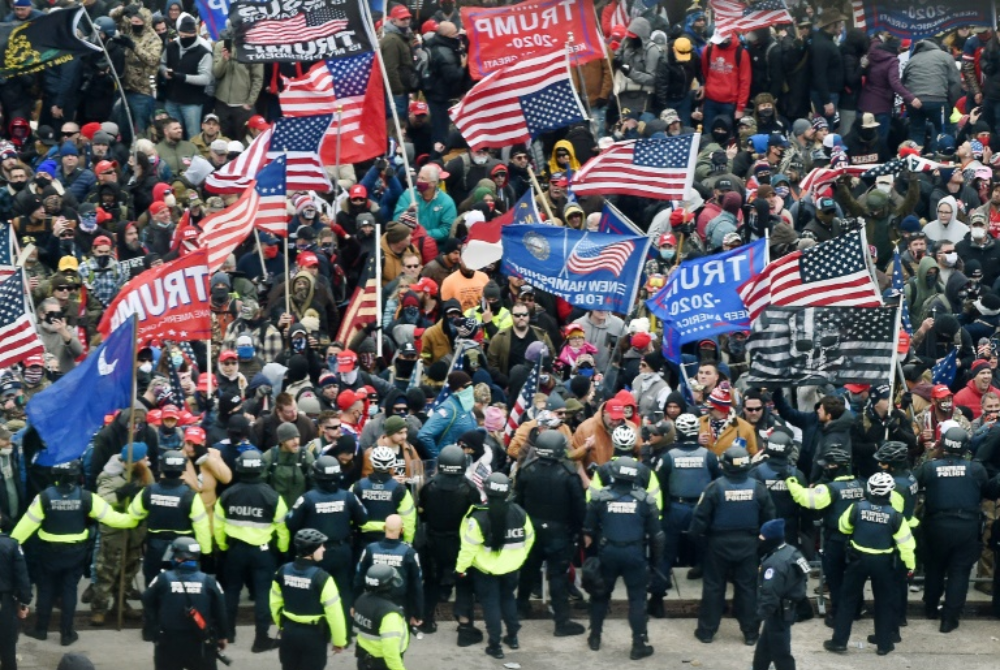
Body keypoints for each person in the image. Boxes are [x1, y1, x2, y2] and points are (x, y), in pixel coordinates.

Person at [12, 459, 135, 646]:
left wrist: (8, 545)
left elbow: (23, 529)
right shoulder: (87, 498)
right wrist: (135, 518)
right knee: (70, 591)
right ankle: (67, 634)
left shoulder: (44, 498)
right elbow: (115, 519)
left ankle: (41, 630)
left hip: (48, 554)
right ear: (77, 476)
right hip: (75, 554)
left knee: (46, 591)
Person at [916, 426, 1000, 632]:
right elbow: (989, 491)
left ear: (944, 445)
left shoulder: (929, 467)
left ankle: (930, 608)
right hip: (966, 527)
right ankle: (949, 619)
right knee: (959, 573)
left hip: (936, 525)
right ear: (965, 447)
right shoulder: (976, 469)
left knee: (934, 568)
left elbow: (913, 482)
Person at [689, 446, 775, 645]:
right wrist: (761, 544)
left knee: (713, 588)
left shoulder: (714, 488)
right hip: (749, 544)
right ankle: (751, 634)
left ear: (724, 465)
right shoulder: (758, 488)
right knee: (748, 589)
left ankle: (707, 632)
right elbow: (770, 519)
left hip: (718, 544)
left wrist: (699, 541)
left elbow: (699, 519)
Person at [823, 472, 916, 656]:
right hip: (884, 563)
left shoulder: (856, 508)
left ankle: (839, 641)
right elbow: (907, 546)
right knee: (883, 603)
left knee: (847, 601)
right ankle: (884, 644)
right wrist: (910, 566)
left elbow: (844, 527)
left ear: (869, 489)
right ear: (890, 492)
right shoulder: (896, 517)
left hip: (857, 560)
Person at [583, 456, 663, 659]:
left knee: (600, 595)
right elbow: (657, 537)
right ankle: (638, 645)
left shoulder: (600, 498)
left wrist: (592, 559)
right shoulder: (645, 500)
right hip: (634, 554)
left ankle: (594, 637)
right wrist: (656, 564)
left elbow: (587, 531)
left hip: (608, 552)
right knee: (637, 599)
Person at [213, 450, 290, 652]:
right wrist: (282, 551)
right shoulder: (272, 495)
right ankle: (261, 639)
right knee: (264, 594)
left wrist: (223, 547)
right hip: (263, 553)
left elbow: (218, 526)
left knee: (231, 591)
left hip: (234, 551)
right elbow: (283, 528)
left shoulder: (227, 494)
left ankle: (227, 633)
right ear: (260, 470)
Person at [513, 431, 586, 635]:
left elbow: (518, 502)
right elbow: (579, 507)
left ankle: (520, 608)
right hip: (559, 533)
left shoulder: (527, 470)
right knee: (558, 576)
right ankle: (561, 622)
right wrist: (579, 530)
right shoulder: (569, 474)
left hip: (532, 531)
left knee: (527, 572)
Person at [285, 456, 367, 636]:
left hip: (315, 552)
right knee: (343, 590)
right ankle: (344, 630)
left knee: (316, 590)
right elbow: (363, 518)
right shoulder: (348, 496)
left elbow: (290, 522)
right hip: (342, 551)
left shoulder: (307, 499)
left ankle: (320, 630)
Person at [455, 473, 534, 660]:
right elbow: (529, 538)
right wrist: (519, 559)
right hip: (512, 568)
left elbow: (468, 548)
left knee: (491, 606)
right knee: (508, 600)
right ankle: (513, 637)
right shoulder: (519, 512)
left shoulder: (478, 517)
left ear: (486, 490)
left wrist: (461, 568)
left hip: (486, 571)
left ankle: (495, 645)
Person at [785, 446, 863, 627]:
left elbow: (807, 499)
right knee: (854, 578)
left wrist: (791, 481)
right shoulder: (861, 485)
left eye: (827, 466)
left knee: (835, 579)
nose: (824, 468)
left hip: (836, 540)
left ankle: (837, 615)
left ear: (836, 467)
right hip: (858, 540)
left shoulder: (831, 489)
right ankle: (856, 611)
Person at [651, 413, 720, 613]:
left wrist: (662, 512)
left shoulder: (668, 457)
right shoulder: (709, 456)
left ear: (678, 433)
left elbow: (659, 487)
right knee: (708, 551)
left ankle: (657, 599)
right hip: (702, 508)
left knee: (666, 554)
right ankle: (713, 600)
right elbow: (718, 483)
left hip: (675, 508)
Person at [416, 445, 480, 635]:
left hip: (434, 541)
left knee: (431, 583)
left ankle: (426, 620)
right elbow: (475, 517)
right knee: (463, 583)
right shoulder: (470, 489)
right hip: (460, 543)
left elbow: (424, 514)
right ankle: (464, 624)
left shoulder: (429, 487)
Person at [129, 450, 212, 587]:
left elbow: (131, 517)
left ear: (162, 467)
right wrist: (206, 552)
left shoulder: (149, 491)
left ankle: (152, 608)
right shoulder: (190, 496)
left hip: (155, 547)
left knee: (153, 583)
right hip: (183, 549)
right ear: (183, 469)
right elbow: (201, 526)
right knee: (182, 586)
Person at [141, 537, 228, 670]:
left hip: (168, 640)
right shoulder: (209, 581)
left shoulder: (163, 579)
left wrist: (153, 627)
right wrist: (222, 635)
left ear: (177, 557)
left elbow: (147, 600)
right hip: (200, 641)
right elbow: (221, 610)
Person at [269, 529, 348, 670]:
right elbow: (334, 613)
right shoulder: (323, 578)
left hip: (289, 632)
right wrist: (339, 640)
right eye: (320, 546)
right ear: (311, 551)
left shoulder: (282, 571)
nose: (324, 549)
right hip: (314, 636)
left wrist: (282, 626)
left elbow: (275, 603)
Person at [753, 518, 810, 670]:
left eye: (762, 537)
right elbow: (804, 577)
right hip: (787, 608)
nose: (759, 540)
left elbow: (770, 595)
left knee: (781, 653)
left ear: (771, 539)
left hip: (778, 612)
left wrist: (758, 616)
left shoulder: (774, 564)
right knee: (765, 647)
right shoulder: (792, 552)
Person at [354, 514, 423, 626]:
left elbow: (358, 579)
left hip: (372, 602)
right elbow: (416, 586)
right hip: (399, 604)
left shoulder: (370, 549)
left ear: (384, 528)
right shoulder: (409, 553)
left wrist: (355, 604)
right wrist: (418, 613)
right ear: (402, 530)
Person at [352, 446, 416, 545]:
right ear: (393, 464)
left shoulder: (357, 486)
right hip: (391, 539)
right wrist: (408, 541)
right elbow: (408, 518)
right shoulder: (400, 489)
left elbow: (348, 513)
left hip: (362, 539)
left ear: (372, 462)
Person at [353, 564, 410, 670]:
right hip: (381, 663)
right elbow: (390, 652)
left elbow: (357, 628)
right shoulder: (390, 614)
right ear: (387, 586)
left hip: (363, 659)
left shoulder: (361, 600)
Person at [0, 510, 31, 670]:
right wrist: (24, 602)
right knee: (7, 648)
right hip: (4, 603)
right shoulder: (11, 545)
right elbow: (22, 579)